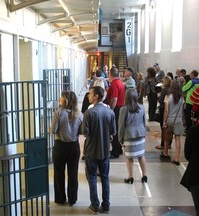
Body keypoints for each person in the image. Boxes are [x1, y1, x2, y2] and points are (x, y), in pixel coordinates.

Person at [82, 86, 116, 214]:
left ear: (96, 96)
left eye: (90, 94)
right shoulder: (110, 113)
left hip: (91, 150)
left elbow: (85, 133)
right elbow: (113, 132)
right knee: (105, 177)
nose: (88, 96)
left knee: (92, 178)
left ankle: (94, 205)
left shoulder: (89, 113)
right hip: (105, 150)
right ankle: (106, 204)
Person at [49, 91, 83, 206]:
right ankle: (72, 199)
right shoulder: (79, 114)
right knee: (73, 174)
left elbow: (53, 130)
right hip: (74, 146)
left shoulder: (58, 113)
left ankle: (60, 198)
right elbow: (81, 131)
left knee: (59, 173)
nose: (60, 98)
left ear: (66, 100)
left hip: (60, 146)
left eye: (61, 97)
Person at [118, 88, 147, 184]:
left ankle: (130, 177)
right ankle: (144, 175)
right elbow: (144, 122)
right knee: (141, 156)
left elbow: (121, 125)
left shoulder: (124, 109)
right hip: (140, 134)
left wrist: (120, 138)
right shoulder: (142, 107)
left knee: (129, 158)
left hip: (129, 136)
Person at [160, 80, 184, 165]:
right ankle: (177, 158)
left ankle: (165, 153)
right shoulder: (182, 98)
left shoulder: (168, 97)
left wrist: (164, 121)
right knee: (178, 138)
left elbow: (166, 110)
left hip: (170, 118)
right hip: (178, 119)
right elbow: (182, 110)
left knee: (167, 137)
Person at [107, 66, 125, 158]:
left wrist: (111, 110)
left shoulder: (114, 84)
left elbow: (114, 98)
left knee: (114, 130)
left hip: (116, 109)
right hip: (121, 108)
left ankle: (115, 152)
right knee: (118, 129)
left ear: (110, 74)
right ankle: (118, 148)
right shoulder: (120, 82)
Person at [155, 75, 172, 150]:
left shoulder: (164, 90)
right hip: (171, 109)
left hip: (163, 108)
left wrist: (158, 96)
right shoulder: (171, 89)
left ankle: (162, 144)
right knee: (169, 128)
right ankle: (169, 144)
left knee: (163, 127)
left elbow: (161, 100)